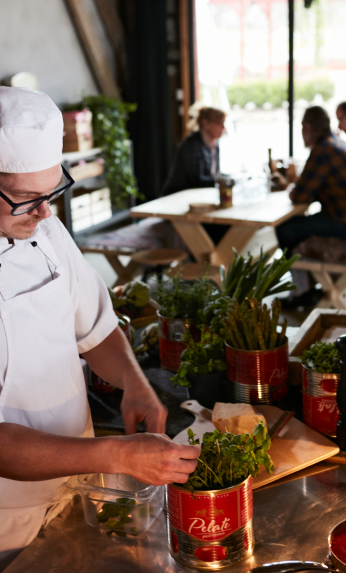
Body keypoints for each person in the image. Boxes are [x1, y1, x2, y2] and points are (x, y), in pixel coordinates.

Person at [0, 87, 200, 569]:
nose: (47, 212)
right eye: (27, 198)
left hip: (78, 488)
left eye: (52, 192)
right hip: (7, 519)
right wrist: (116, 455)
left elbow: (93, 325)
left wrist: (134, 384)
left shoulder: (42, 227)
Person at [276, 106, 346, 254]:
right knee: (305, 223)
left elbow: (299, 196)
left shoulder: (322, 150)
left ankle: (303, 274)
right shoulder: (337, 142)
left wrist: (294, 188)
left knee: (285, 229)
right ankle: (310, 272)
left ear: (307, 127)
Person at [162, 106, 226, 196]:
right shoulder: (191, 145)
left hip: (197, 196)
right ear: (205, 123)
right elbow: (196, 181)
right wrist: (222, 182)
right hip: (177, 197)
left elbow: (215, 174)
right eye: (219, 123)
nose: (223, 128)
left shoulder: (214, 144)